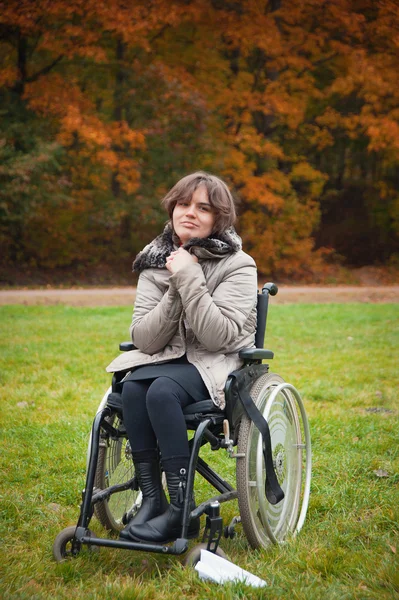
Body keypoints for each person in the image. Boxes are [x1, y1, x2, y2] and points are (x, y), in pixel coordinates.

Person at [106, 171, 257, 544]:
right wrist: (175, 283)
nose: (190, 212)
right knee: (134, 388)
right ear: (172, 209)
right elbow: (145, 338)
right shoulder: (154, 262)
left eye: (203, 208)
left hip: (216, 362)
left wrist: (190, 275)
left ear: (219, 219)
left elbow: (218, 337)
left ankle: (181, 508)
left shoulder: (238, 265)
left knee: (158, 391)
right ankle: (152, 500)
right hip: (167, 361)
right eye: (183, 204)